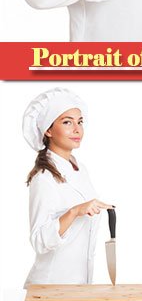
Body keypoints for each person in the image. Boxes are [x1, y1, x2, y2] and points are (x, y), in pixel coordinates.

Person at [22, 90, 110, 287]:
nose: (77, 129)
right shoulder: (43, 178)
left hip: (77, 284)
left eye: (80, 122)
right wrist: (74, 212)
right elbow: (39, 240)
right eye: (67, 122)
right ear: (48, 130)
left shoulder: (78, 168)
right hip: (50, 286)